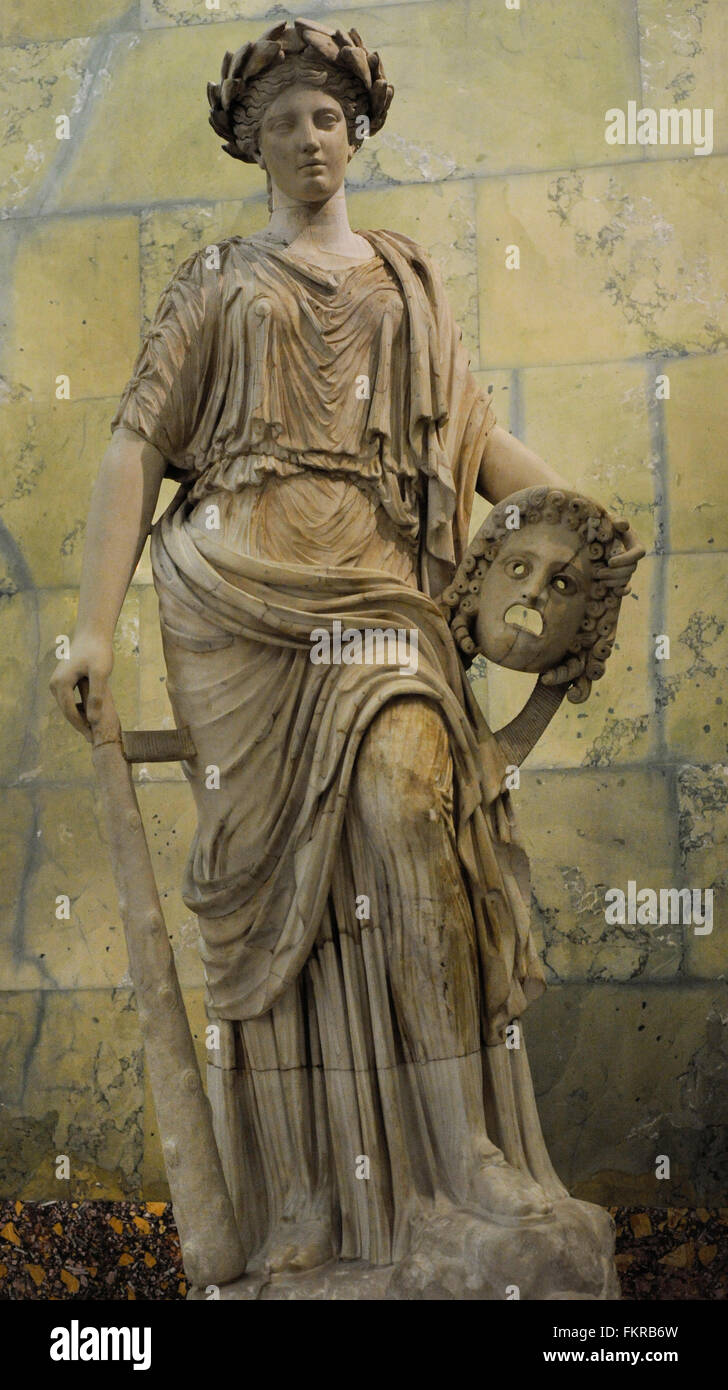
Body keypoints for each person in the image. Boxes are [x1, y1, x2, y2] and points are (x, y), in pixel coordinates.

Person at [51, 19, 643, 1279]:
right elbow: (132, 448)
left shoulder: (404, 280)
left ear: (354, 130)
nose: (308, 138)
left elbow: (480, 450)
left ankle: (458, 1154)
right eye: (282, 122)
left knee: (407, 808)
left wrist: (581, 527)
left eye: (326, 117)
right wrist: (92, 625)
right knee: (275, 900)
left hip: (383, 601)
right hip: (236, 603)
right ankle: (303, 1200)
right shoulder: (216, 281)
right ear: (251, 144)